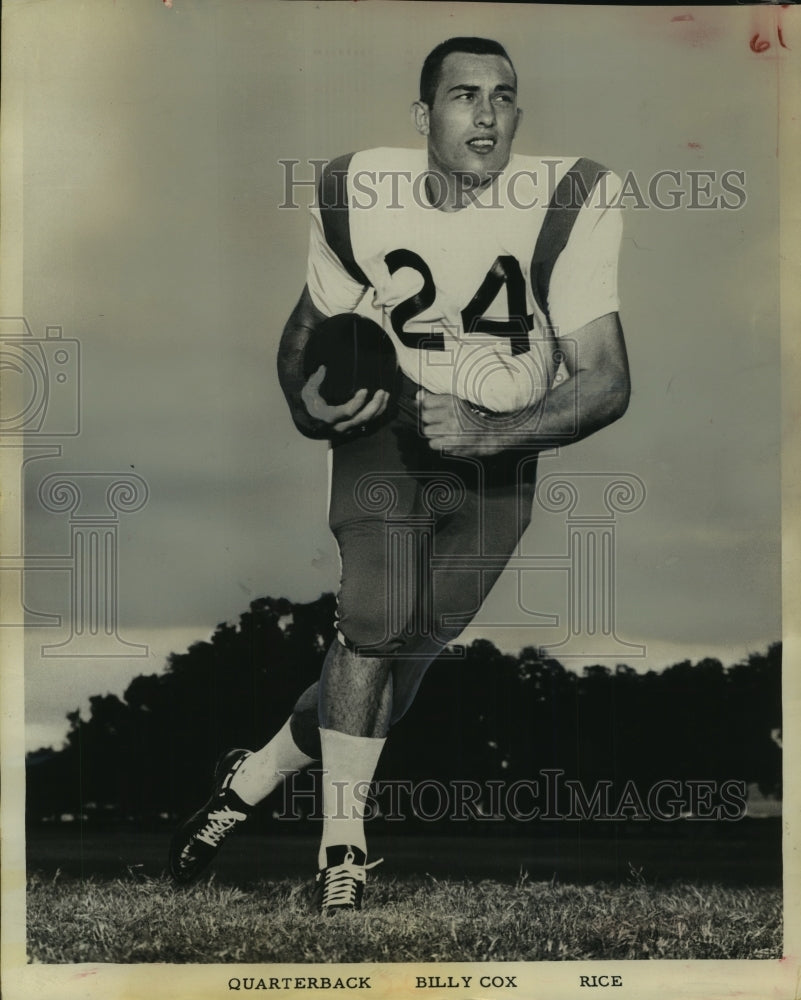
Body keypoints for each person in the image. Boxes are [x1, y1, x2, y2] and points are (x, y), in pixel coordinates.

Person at [169, 36, 630, 913]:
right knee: (374, 628)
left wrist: (493, 435)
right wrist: (306, 405)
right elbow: (308, 327)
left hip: (502, 439)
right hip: (390, 426)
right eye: (463, 95)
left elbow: (605, 381)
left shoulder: (568, 199)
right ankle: (340, 855)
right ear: (423, 114)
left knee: (406, 658)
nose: (486, 114)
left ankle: (249, 779)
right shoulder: (358, 190)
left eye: (503, 95)